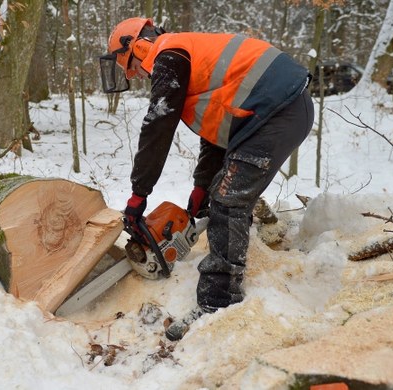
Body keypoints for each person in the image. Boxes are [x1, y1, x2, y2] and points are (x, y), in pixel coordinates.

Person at [100, 18, 314, 341]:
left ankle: (218, 303)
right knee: (222, 193)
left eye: (130, 66)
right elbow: (216, 128)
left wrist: (138, 194)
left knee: (228, 201)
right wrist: (202, 186)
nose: (134, 75)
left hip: (278, 110)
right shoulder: (188, 55)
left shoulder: (168, 55)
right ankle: (261, 232)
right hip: (281, 110)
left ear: (138, 46)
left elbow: (159, 122)